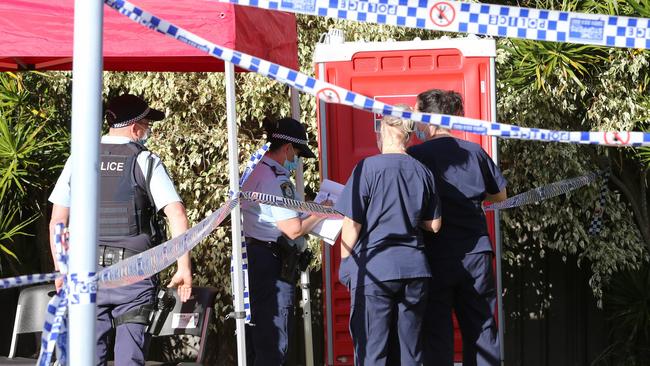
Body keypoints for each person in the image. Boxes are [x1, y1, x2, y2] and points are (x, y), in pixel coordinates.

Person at [48, 94, 192, 366]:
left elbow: (58, 220)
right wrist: (183, 266)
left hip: (87, 273)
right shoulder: (145, 161)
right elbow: (177, 213)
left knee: (86, 358)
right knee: (130, 358)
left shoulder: (79, 158)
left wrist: (61, 269)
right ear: (135, 127)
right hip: (134, 276)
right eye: (147, 125)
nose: (147, 132)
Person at [408, 89, 508, 366]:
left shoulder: (416, 155)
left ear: (428, 117)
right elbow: (500, 196)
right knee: (481, 329)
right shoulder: (475, 152)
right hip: (476, 253)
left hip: (435, 255)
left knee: (436, 333)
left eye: (416, 114)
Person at [335, 109, 442, 366]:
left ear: (382, 131)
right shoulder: (422, 171)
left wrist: (345, 263)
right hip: (415, 270)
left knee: (374, 352)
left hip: (375, 270)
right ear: (407, 135)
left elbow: (351, 223)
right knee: (411, 352)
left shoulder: (367, 169)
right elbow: (435, 225)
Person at [241, 117, 326, 365]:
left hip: (256, 257)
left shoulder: (255, 169)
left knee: (260, 338)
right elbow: (292, 228)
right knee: (274, 342)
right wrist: (320, 213)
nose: (296, 161)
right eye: (297, 155)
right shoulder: (276, 179)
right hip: (271, 264)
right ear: (288, 148)